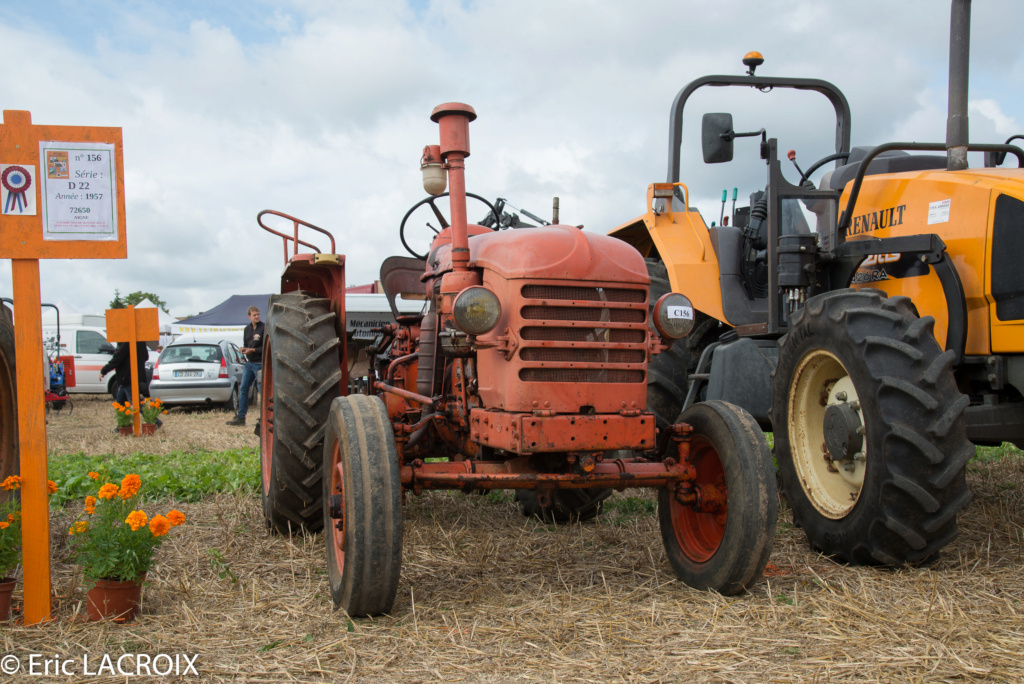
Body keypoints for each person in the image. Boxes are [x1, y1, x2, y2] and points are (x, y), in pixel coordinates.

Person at [101, 340, 161, 428]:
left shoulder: (125, 342)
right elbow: (145, 356)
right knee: (121, 402)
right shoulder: (139, 341)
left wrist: (104, 370)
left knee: (135, 401)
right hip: (130, 376)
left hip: (127, 377)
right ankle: (123, 426)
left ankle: (155, 421)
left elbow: (118, 358)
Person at [226, 305, 264, 426]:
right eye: (254, 315)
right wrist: (243, 349)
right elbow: (246, 344)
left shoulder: (264, 327)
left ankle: (264, 417)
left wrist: (251, 350)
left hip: (260, 364)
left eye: (258, 314)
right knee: (243, 388)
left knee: (261, 390)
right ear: (249, 316)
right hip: (249, 364)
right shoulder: (247, 329)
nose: (257, 316)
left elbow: (265, 348)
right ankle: (240, 417)